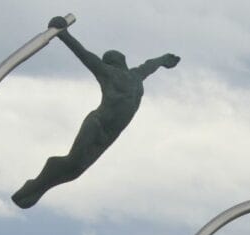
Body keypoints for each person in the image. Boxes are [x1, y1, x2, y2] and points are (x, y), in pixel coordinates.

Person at [11, 16, 181, 209]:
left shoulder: (136, 76)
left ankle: (39, 185)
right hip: (98, 123)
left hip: (110, 134)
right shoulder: (106, 72)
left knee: (77, 170)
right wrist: (63, 34)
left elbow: (151, 64)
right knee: (73, 162)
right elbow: (83, 54)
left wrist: (165, 60)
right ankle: (34, 187)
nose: (110, 60)